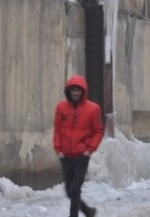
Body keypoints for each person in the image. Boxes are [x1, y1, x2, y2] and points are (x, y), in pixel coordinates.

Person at [53, 75, 104, 217]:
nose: (75, 93)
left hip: (82, 156)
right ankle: (88, 211)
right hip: (65, 156)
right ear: (69, 91)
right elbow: (57, 129)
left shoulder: (93, 109)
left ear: (83, 91)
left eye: (78, 90)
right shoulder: (61, 107)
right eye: (73, 90)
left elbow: (98, 131)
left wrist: (89, 150)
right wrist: (58, 149)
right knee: (69, 191)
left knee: (75, 189)